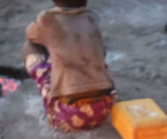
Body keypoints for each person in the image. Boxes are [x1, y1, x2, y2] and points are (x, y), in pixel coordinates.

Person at [23, 0, 115, 132]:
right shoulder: (92, 17)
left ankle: (50, 105)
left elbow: (30, 34)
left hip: (68, 116)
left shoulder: (46, 18)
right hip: (105, 108)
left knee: (30, 45)